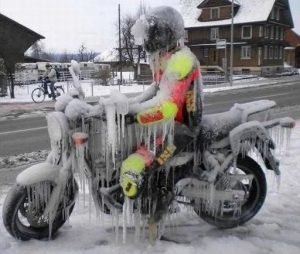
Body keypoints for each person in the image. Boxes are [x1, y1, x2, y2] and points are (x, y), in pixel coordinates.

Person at [119, 6, 203, 200]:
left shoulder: (181, 60)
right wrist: (128, 106)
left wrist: (135, 116)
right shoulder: (165, 57)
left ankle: (157, 213)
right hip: (170, 125)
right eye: (148, 34)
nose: (149, 39)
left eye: (153, 33)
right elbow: (156, 90)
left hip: (183, 127)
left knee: (138, 164)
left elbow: (168, 107)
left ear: (166, 33)